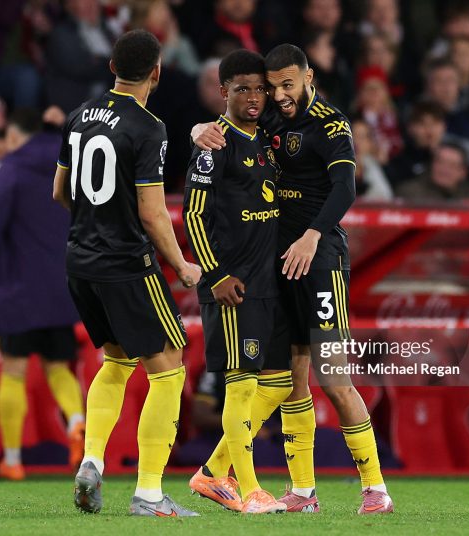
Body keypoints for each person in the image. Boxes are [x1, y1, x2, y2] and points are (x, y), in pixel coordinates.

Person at [192, 43, 393, 515]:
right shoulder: (269, 122)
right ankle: (302, 491)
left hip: (319, 258)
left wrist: (311, 236)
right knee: (289, 380)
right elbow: (228, 127)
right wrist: (198, 130)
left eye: (288, 84)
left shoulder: (331, 123)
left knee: (333, 375)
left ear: (308, 78)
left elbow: (345, 186)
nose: (279, 94)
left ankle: (376, 487)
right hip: (274, 264)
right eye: (273, 85)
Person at [52, 29, 201, 517]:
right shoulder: (148, 126)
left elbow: (60, 192)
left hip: (80, 260)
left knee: (116, 361)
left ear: (111, 67)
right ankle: (150, 493)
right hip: (125, 265)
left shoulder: (77, 117)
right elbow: (153, 212)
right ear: (156, 72)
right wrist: (180, 264)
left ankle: (91, 461)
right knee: (170, 367)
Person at [182, 49, 291, 514]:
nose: (253, 97)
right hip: (233, 285)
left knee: (281, 382)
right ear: (224, 91)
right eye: (242, 89)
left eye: (259, 89)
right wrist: (216, 274)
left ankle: (210, 473)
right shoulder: (214, 144)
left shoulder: (267, 137)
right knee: (241, 384)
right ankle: (249, 491)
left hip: (270, 283)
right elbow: (192, 214)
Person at [0, 109, 85, 481]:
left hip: (16, 289)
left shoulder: (9, 169)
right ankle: (77, 421)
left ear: (15, 136)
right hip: (63, 286)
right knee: (59, 367)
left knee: (13, 369)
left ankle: (11, 459)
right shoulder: (73, 165)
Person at [395, 142, 469, 201]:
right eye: (440, 162)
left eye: (452, 165)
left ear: (463, 172)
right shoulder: (409, 193)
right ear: (431, 164)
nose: (444, 169)